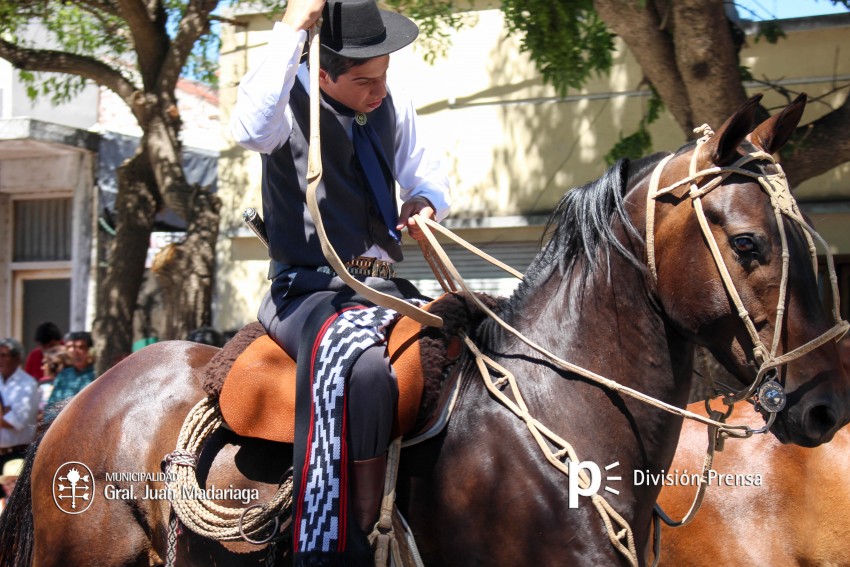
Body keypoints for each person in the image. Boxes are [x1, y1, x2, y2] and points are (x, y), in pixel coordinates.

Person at [231, 0, 450, 563]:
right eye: (363, 81)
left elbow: (424, 173)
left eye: (383, 76)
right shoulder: (284, 106)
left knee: (467, 342)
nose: (378, 91)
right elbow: (249, 129)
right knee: (368, 370)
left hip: (384, 290)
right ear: (322, 72)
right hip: (306, 292)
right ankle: (350, 541)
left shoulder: (388, 101)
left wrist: (425, 201)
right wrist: (289, 28)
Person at [0, 339, 39, 472]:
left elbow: (16, 421)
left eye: (4, 355)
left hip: (15, 456)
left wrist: (7, 415)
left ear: (17, 359)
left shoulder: (27, 384)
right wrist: (4, 413)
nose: (0, 359)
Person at [44, 332, 96, 422]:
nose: (74, 352)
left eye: (80, 347)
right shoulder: (63, 375)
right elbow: (51, 406)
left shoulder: (97, 374)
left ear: (89, 350)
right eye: (69, 347)